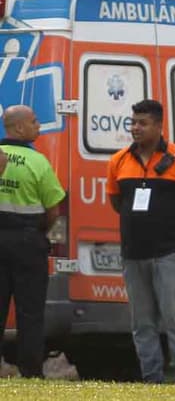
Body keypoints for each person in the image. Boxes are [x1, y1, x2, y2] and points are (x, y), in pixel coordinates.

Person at [106, 99, 175, 384]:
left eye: (143, 123)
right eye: (133, 122)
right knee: (142, 324)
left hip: (172, 253)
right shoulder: (119, 160)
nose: (136, 128)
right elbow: (117, 201)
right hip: (133, 253)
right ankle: (151, 379)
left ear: (159, 125)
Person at [0, 105, 65, 378]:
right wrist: (43, 235)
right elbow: (54, 210)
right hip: (29, 242)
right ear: (18, 128)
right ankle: (31, 372)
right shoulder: (38, 162)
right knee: (31, 311)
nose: (38, 126)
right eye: (34, 121)